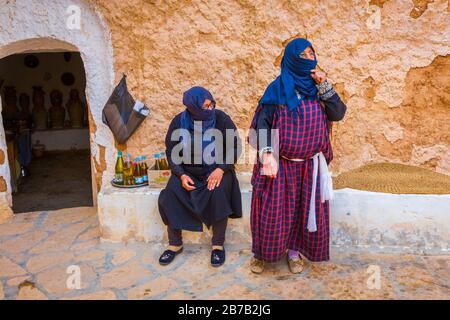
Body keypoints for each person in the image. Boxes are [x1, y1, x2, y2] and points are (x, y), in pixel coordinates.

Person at [249, 38, 347, 274]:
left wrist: (325, 85)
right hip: (279, 166)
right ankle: (261, 255)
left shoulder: (318, 88)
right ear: (291, 59)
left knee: (301, 212)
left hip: (309, 167)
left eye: (311, 53)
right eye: (302, 55)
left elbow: (338, 113)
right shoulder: (277, 89)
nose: (308, 58)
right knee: (270, 212)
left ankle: (294, 253)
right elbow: (261, 125)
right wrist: (266, 155)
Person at [158, 86, 242, 267]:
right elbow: (171, 152)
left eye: (212, 104)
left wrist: (221, 169)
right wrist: (180, 175)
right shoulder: (179, 122)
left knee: (218, 191)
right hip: (188, 172)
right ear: (193, 107)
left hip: (218, 169)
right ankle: (175, 244)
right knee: (171, 192)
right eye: (205, 106)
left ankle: (218, 245)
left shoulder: (221, 119)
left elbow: (235, 146)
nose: (210, 108)